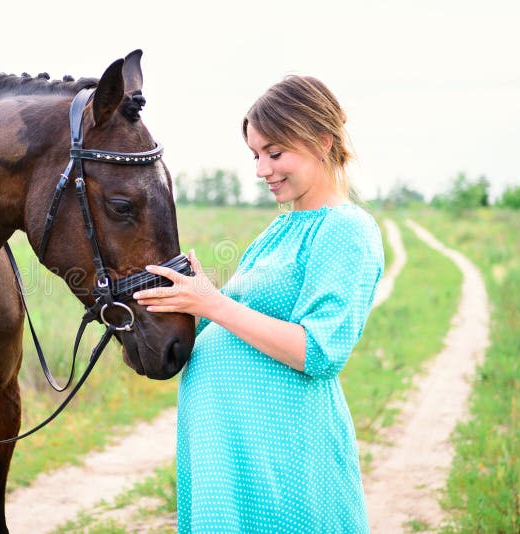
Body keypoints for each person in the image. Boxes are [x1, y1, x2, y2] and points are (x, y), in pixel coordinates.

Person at [133, 75, 383, 533]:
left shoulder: (347, 231)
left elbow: (320, 351)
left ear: (322, 141)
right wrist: (181, 297)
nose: (262, 170)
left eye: (275, 153)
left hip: (280, 457)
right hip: (231, 454)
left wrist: (213, 304)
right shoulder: (282, 229)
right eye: (255, 155)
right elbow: (230, 323)